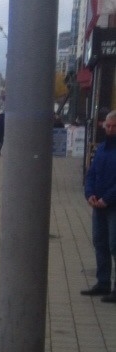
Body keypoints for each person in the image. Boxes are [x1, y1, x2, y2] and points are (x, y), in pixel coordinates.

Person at [80, 110, 116, 300]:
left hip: (112, 205)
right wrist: (90, 194)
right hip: (99, 204)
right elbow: (92, 173)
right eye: (108, 126)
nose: (110, 129)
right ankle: (103, 283)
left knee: (114, 245)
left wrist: (107, 199)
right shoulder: (102, 148)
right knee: (100, 243)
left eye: (114, 126)